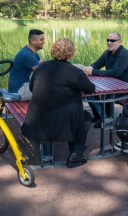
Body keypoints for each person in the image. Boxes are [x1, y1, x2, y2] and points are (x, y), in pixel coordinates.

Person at [21, 38, 96, 168]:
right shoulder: (75, 72)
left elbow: (32, 88)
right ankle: (75, 154)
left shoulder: (41, 67)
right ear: (71, 52)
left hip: (36, 120)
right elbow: (91, 88)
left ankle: (73, 148)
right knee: (85, 117)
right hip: (59, 124)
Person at [83, 32, 128, 128]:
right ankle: (98, 116)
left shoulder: (124, 54)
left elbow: (115, 72)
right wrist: (88, 69)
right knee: (89, 88)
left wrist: (93, 72)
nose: (109, 42)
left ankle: (106, 119)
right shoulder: (108, 53)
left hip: (127, 88)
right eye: (107, 40)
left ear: (120, 42)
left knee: (106, 93)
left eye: (112, 40)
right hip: (113, 84)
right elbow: (97, 64)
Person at [8, 29, 44, 101]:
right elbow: (43, 71)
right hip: (18, 91)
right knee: (51, 91)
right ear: (32, 41)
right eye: (41, 40)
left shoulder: (31, 52)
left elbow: (43, 65)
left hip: (22, 87)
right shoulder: (27, 55)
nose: (44, 42)